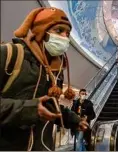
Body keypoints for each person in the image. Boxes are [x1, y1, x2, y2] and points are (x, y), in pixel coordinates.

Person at [0, 7, 88, 151]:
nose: (65, 37)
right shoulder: (9, 55)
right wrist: (29, 110)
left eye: (67, 33)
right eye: (59, 31)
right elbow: (38, 109)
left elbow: (49, 106)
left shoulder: (56, 71)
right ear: (41, 32)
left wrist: (74, 120)